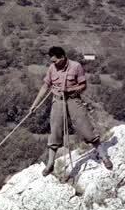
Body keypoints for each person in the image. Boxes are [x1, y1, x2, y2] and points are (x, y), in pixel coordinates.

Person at [31, 46, 113, 176]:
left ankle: (104, 156)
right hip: (57, 101)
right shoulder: (52, 68)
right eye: (51, 61)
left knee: (87, 130)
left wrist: (69, 90)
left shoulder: (76, 66)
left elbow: (83, 85)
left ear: (62, 57)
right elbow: (45, 86)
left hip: (73, 100)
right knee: (55, 132)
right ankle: (50, 164)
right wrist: (35, 104)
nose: (53, 64)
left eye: (55, 61)